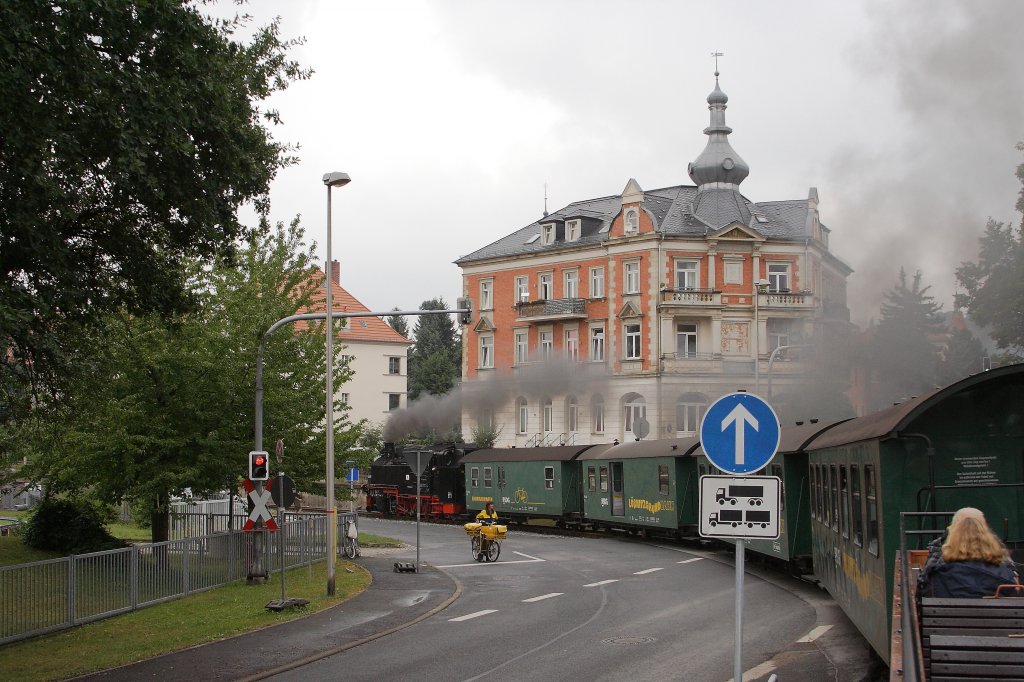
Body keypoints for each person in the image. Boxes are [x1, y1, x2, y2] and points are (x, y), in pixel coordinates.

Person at [919, 507, 1020, 598]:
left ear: (953, 530)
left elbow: (922, 593)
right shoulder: (1005, 576)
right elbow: (1016, 592)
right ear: (985, 531)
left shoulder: (936, 572)